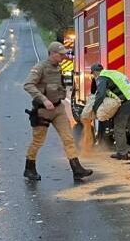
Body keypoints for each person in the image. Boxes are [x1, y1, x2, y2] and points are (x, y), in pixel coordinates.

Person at [23, 42, 93, 182]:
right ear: (52, 53)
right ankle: (29, 169)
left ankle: (77, 169)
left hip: (58, 109)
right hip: (43, 110)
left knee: (68, 138)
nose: (63, 57)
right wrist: (44, 100)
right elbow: (28, 85)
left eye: (63, 54)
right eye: (60, 54)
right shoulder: (40, 67)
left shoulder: (59, 67)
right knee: (38, 141)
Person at [90, 63, 130, 159]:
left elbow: (100, 94)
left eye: (93, 74)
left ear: (95, 73)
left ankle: (122, 153)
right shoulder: (113, 73)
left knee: (119, 126)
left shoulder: (102, 77)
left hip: (127, 100)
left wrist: (95, 108)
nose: (94, 76)